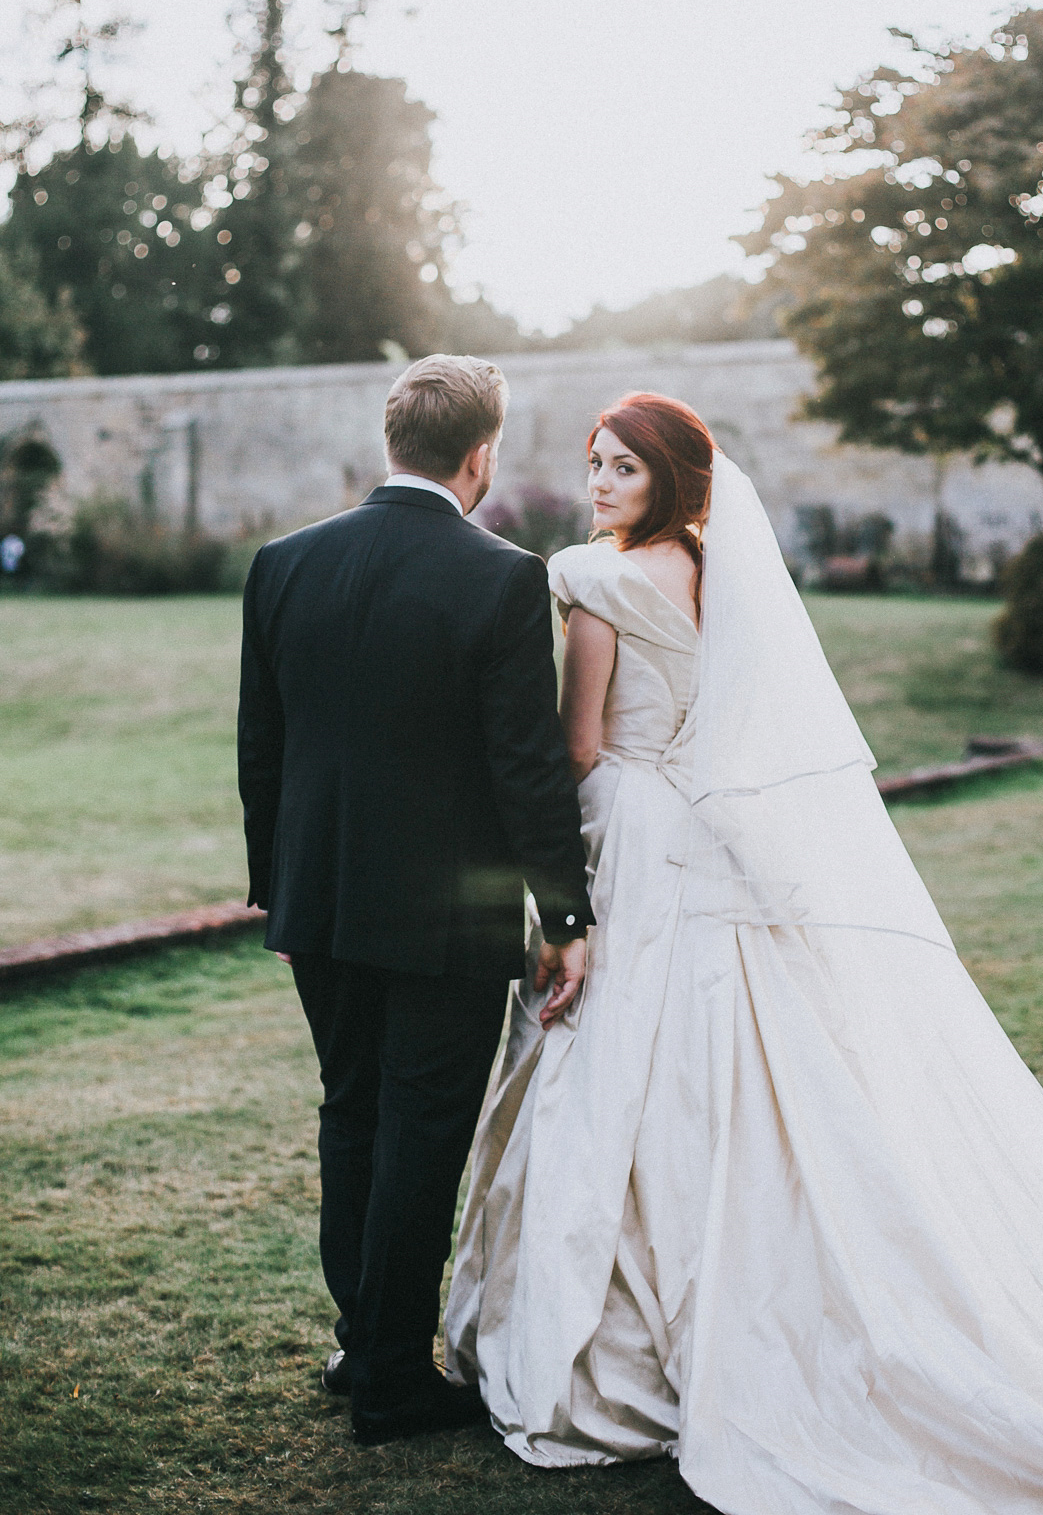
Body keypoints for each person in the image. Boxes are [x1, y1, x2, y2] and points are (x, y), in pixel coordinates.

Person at [445, 390, 1043, 1514]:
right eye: (596, 465)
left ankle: (622, 1344)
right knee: (750, 1047)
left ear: (670, 482)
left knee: (620, 1062)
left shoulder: (596, 582)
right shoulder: (724, 575)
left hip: (638, 835)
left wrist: (550, 859)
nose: (601, 484)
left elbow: (583, 744)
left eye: (624, 471)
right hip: (713, 831)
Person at [237, 354, 592, 1448]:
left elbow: (264, 747)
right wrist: (567, 917)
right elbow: (526, 768)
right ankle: (390, 1376)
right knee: (420, 1135)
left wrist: (276, 894)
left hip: (323, 905)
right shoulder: (500, 577)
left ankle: (364, 1341)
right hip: (442, 923)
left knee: (352, 1116)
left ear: (393, 443)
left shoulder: (282, 563)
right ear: (480, 454)